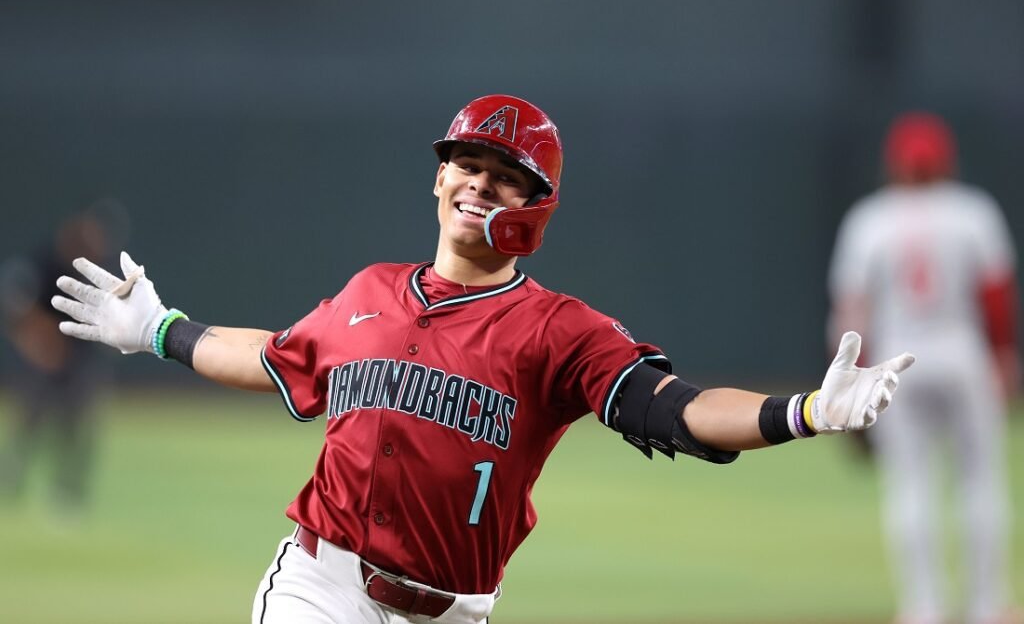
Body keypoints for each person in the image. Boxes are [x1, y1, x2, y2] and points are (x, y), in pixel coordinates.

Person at [51, 95, 914, 624]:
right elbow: (277, 357)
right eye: (467, 163)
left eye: (505, 177)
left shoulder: (557, 331)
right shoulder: (368, 293)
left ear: (538, 208)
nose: (478, 184)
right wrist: (161, 328)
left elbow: (673, 409)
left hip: (455, 611)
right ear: (437, 180)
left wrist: (801, 413)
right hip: (323, 588)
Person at [828, 111, 1020, 624]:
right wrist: (1004, 357)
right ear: (946, 162)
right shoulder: (973, 211)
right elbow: (997, 298)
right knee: (981, 481)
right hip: (962, 353)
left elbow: (851, 313)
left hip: (896, 362)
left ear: (895, 164)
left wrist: (847, 385)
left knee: (909, 483)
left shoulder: (869, 218)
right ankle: (984, 606)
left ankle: (924, 608)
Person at [0, 202, 127, 514]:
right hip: (45, 357)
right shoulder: (47, 259)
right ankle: (11, 482)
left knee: (79, 427)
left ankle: (68, 492)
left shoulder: (104, 267)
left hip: (81, 358)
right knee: (31, 422)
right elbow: (17, 304)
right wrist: (36, 339)